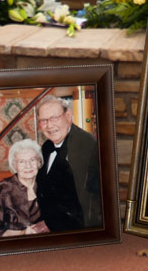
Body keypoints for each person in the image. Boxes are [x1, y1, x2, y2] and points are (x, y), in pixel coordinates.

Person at [35, 96, 102, 231]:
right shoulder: (47, 146)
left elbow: (86, 204)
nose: (49, 125)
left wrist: (50, 224)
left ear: (68, 116)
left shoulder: (85, 145)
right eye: (44, 120)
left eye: (55, 118)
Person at [0, 139, 51, 238]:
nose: (28, 166)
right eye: (21, 162)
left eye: (32, 160)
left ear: (39, 162)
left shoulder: (48, 185)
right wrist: (22, 233)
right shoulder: (1, 189)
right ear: (14, 165)